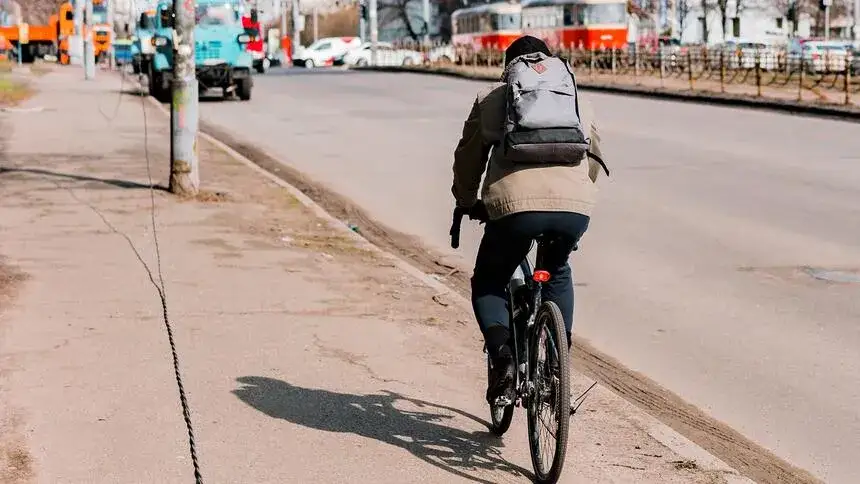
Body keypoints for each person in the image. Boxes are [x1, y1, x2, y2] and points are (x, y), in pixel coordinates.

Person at [451, 36, 607, 404]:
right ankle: (556, 364)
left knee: (490, 280)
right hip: (573, 209)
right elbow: (593, 160)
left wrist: (466, 201)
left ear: (509, 69)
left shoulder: (493, 98)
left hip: (514, 212)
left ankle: (504, 358)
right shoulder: (575, 98)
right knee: (556, 271)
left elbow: (468, 159)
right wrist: (572, 200)